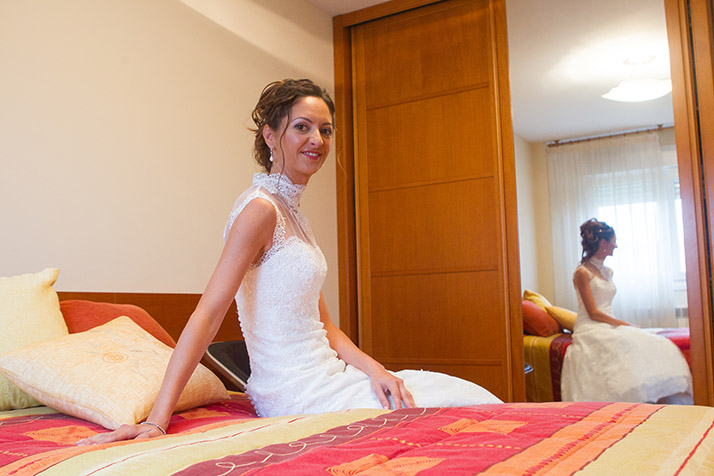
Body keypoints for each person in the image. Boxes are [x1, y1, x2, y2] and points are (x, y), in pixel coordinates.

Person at [78, 79, 500, 445]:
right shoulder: (260, 211)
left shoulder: (293, 215)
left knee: (460, 393)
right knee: (459, 404)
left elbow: (326, 327)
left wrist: (377, 371)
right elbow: (208, 315)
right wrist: (157, 419)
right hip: (296, 391)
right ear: (270, 135)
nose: (317, 139)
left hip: (328, 376)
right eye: (302, 127)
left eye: (325, 130)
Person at [560, 218, 693, 404]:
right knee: (630, 341)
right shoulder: (582, 273)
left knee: (655, 342)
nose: (616, 245)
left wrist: (621, 325)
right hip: (590, 326)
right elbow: (593, 313)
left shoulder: (609, 271)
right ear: (603, 243)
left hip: (608, 323)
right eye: (613, 241)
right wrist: (625, 324)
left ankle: (657, 399)